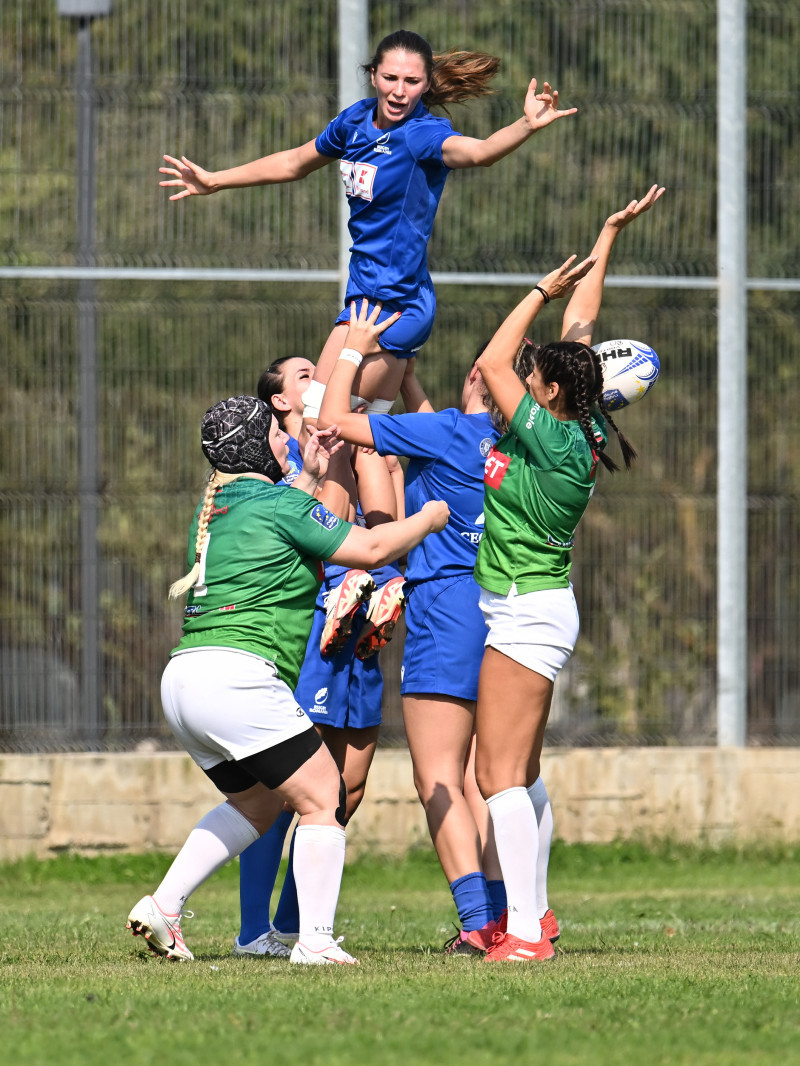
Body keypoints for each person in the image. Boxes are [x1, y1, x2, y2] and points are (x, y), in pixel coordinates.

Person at [125, 395, 448, 964]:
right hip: (236, 678)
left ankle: (164, 907)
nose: (288, 439)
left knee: (257, 805)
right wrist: (429, 519)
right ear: (258, 446)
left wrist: (313, 474)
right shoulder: (280, 504)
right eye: (278, 433)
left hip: (184, 680)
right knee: (326, 796)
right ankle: (315, 942)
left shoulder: (217, 506)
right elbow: (372, 548)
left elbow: (283, 518)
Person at [159, 30, 577, 413]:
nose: (399, 90)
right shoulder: (354, 122)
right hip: (369, 296)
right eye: (390, 78)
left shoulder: (422, 135)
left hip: (391, 303)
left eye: (412, 81)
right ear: (373, 75)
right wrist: (216, 180)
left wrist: (526, 124)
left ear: (426, 85)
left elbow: (479, 152)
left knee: (319, 421)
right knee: (359, 441)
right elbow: (294, 162)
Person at [230, 356, 404, 957]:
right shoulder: (287, 456)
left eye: (315, 371)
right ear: (280, 401)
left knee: (348, 788)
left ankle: (291, 926)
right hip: (315, 624)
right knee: (291, 789)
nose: (316, 380)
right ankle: (254, 931)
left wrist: (397, 358)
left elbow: (386, 517)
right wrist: (352, 342)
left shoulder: (355, 441)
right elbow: (325, 532)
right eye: (302, 376)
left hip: (363, 618)